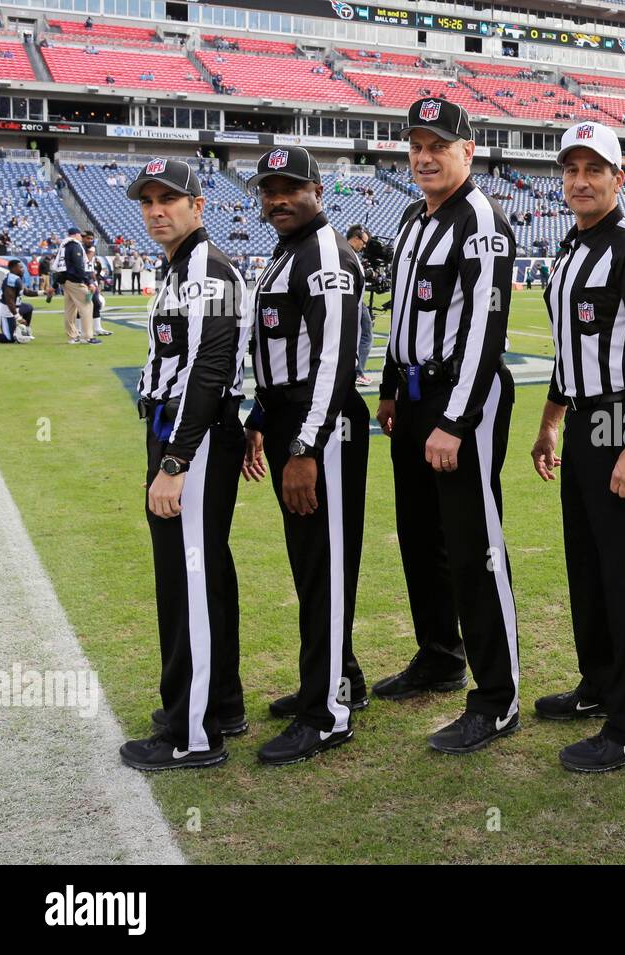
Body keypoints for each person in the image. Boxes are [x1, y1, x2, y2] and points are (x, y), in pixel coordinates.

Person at [373, 99, 522, 755]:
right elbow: (403, 312)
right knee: (419, 534)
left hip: (462, 397)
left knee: (472, 544)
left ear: (468, 150)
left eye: (439, 144)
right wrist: (386, 387)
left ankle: (497, 697)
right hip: (413, 394)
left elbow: (486, 333)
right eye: (416, 144)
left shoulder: (482, 221)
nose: (425, 156)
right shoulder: (412, 218)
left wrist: (454, 420)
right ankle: (439, 653)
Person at [529, 122, 625, 773]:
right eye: (572, 169)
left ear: (621, 178)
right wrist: (551, 420)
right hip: (586, 420)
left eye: (595, 169)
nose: (581, 181)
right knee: (588, 567)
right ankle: (599, 686)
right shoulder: (571, 248)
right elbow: (571, 353)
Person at [118, 158, 252, 771]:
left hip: (189, 436)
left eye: (168, 198)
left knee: (186, 579)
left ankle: (191, 732)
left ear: (198, 205)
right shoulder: (179, 266)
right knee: (203, 572)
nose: (155, 210)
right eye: (146, 200)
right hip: (184, 430)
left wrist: (174, 460)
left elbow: (210, 368)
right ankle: (218, 702)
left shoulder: (209, 268)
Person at [242, 146, 371, 765]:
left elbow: (334, 361)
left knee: (325, 566)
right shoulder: (286, 252)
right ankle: (339, 678)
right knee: (311, 562)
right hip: (294, 418)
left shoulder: (325, 253)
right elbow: (279, 355)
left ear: (318, 189)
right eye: (269, 189)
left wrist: (304, 445)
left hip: (323, 427)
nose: (278, 199)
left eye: (290, 187)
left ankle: (328, 714)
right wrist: (260, 420)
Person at [53, 227, 98, 344]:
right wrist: (88, 282)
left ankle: (72, 336)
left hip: (65, 281)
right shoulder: (75, 246)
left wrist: (55, 284)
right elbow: (79, 267)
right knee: (87, 306)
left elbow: (59, 267)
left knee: (70, 310)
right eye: (80, 235)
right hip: (75, 281)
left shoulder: (64, 246)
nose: (81, 238)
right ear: (76, 235)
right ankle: (87, 337)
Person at [344, 224, 374, 384]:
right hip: (354, 300)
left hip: (352, 300)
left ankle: (355, 371)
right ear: (356, 238)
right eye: (363, 242)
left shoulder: (343, 251)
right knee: (366, 335)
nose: (364, 246)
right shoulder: (348, 253)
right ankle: (357, 372)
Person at [0, 258, 33, 343]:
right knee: (9, 339)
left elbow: (26, 291)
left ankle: (24, 330)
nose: (22, 269)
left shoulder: (16, 277)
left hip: (16, 307)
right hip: (7, 311)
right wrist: (18, 317)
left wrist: (43, 292)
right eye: (20, 267)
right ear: (13, 268)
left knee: (29, 308)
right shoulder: (11, 280)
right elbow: (9, 302)